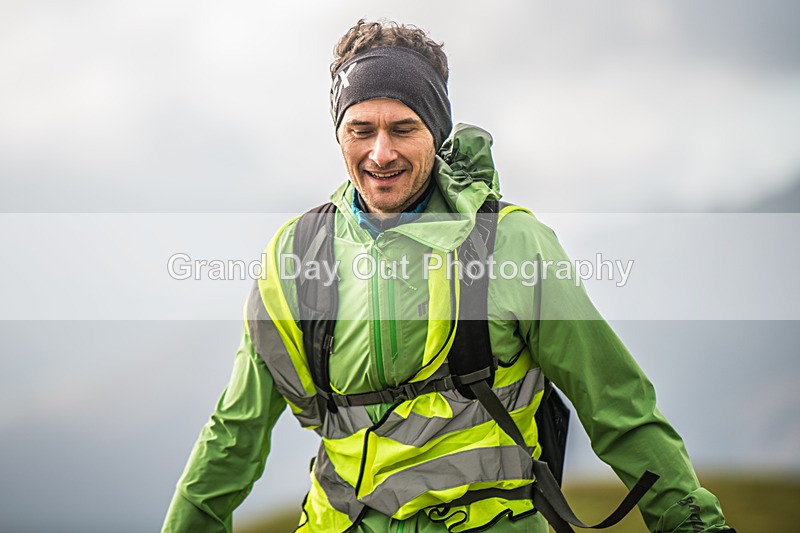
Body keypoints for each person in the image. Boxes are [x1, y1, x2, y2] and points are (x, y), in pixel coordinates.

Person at [162, 20, 734, 533]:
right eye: (361, 129)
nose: (380, 153)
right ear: (338, 133)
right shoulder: (294, 257)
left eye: (403, 128)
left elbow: (619, 407)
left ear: (436, 133)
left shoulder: (512, 243)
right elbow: (233, 434)